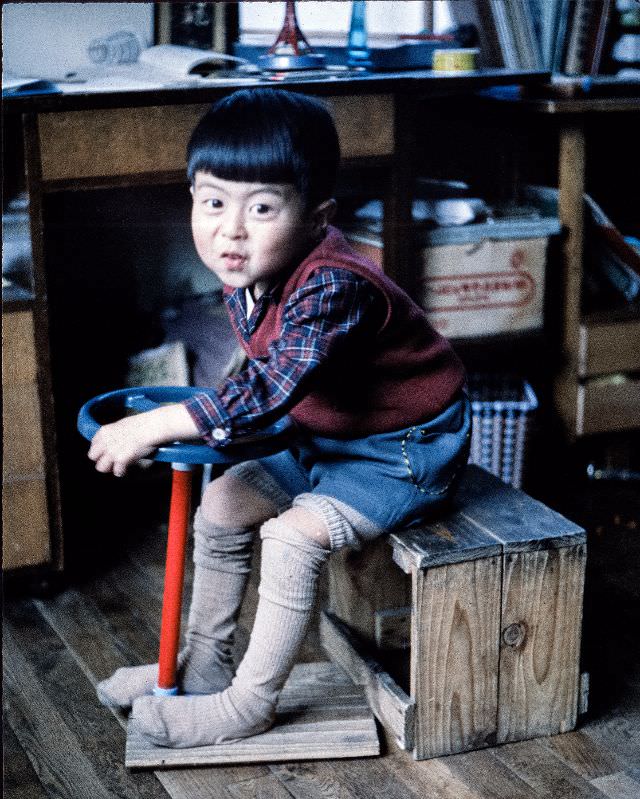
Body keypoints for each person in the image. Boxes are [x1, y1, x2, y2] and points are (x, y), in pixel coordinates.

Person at [91, 88, 470, 749]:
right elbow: (261, 383)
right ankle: (205, 667)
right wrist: (200, 425)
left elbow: (267, 392)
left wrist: (160, 423)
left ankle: (248, 704)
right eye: (213, 203)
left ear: (316, 216)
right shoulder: (250, 273)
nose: (231, 229)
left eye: (262, 207)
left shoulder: (332, 285)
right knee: (225, 503)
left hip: (403, 451)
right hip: (327, 432)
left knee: (292, 538)